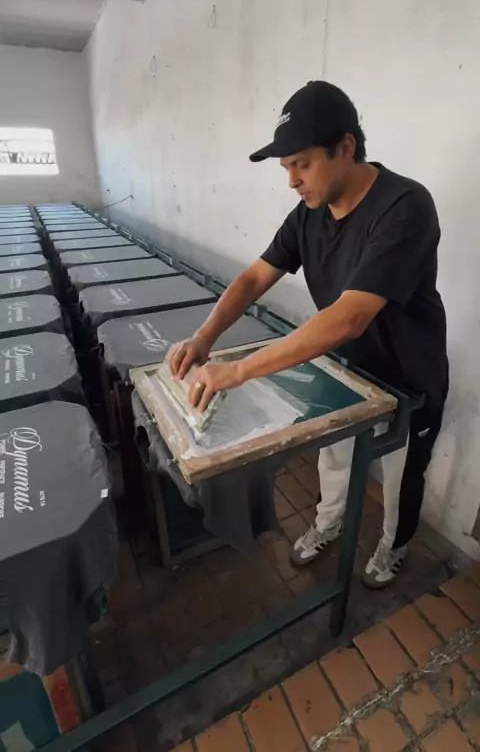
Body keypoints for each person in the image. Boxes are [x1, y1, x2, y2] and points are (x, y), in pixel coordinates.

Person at [169, 80, 448, 588]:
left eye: (302, 164)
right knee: (334, 454)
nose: (292, 181)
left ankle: (394, 544)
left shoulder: (404, 206)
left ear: (345, 147)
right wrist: (205, 337)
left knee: (401, 475)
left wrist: (238, 370)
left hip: (410, 376)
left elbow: (350, 316)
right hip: (348, 366)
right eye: (286, 168)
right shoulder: (308, 214)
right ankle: (328, 524)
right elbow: (255, 277)